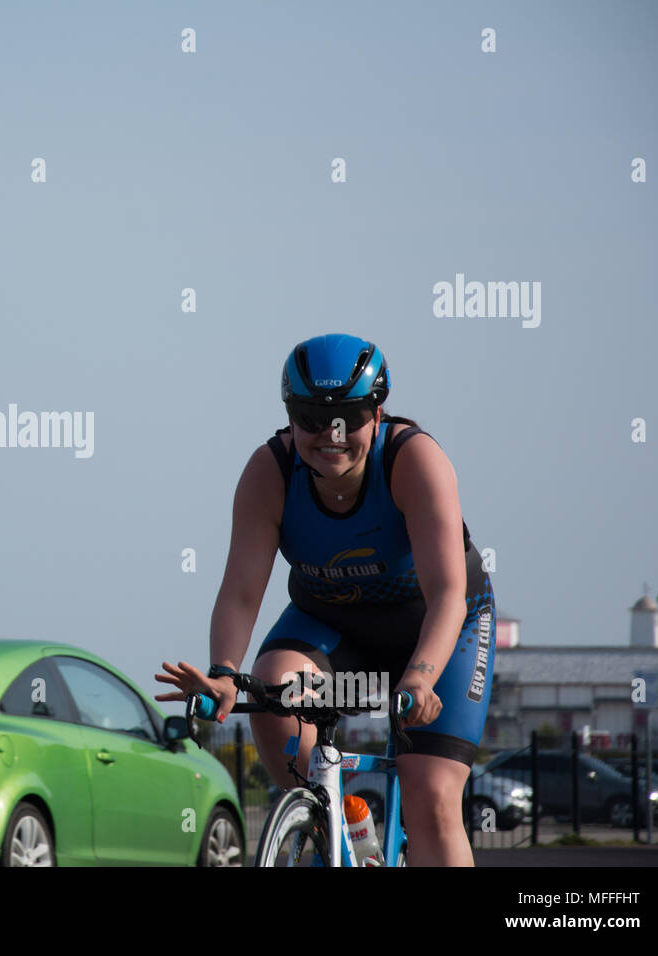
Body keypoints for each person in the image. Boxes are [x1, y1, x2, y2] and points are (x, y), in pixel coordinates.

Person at [155, 333, 495, 866]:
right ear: (290, 415)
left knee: (430, 800)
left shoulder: (413, 461)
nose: (330, 434)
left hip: (437, 626)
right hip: (332, 622)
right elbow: (242, 592)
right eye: (311, 417)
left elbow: (448, 593)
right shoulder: (268, 472)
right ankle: (335, 819)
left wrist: (423, 675)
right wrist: (224, 672)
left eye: (349, 416)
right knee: (270, 691)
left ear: (377, 413)